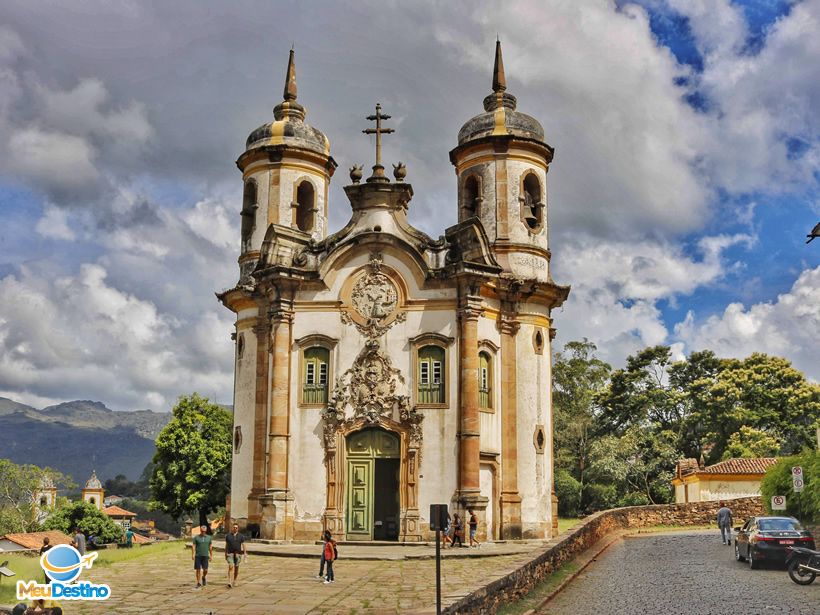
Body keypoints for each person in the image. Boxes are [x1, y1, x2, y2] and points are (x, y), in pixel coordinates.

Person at [224, 522, 247, 588]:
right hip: (230, 553)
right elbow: (226, 545)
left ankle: (235, 580)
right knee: (231, 566)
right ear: (232, 528)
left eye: (236, 528)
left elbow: (243, 545)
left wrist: (245, 553)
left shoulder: (241, 536)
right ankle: (229, 581)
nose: (235, 529)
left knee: (236, 567)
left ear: (238, 529)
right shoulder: (228, 536)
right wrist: (225, 553)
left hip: (238, 554)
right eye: (234, 527)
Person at [192, 524, 213, 588]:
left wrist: (211, 555)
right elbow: (193, 546)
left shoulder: (209, 538)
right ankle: (198, 582)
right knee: (198, 569)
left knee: (205, 570)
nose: (203, 532)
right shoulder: (196, 537)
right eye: (202, 531)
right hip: (198, 555)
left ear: (206, 531)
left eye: (204, 531)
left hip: (205, 555)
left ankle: (203, 577)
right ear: (200, 530)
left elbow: (210, 546)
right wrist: (193, 554)